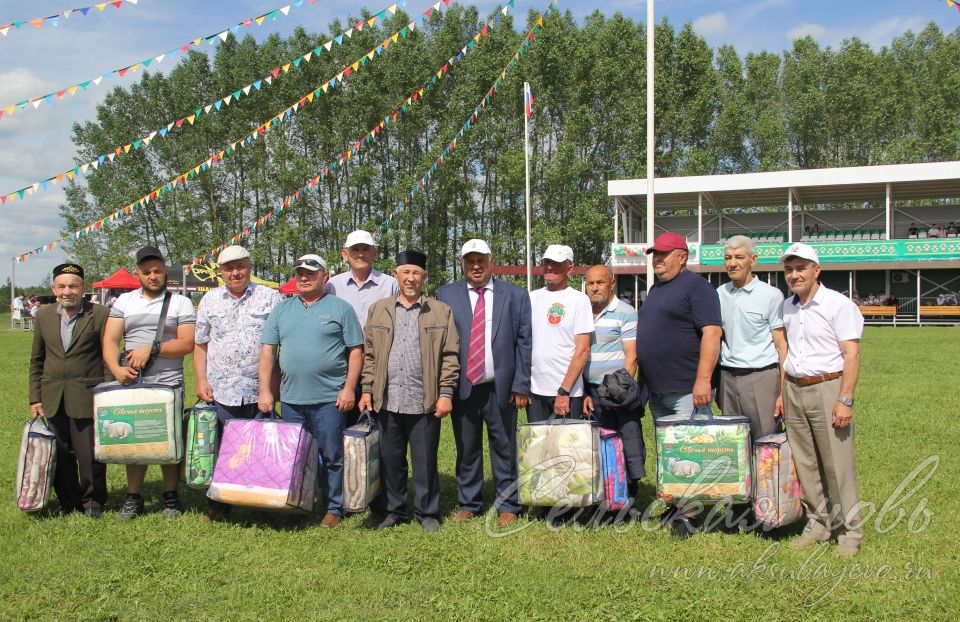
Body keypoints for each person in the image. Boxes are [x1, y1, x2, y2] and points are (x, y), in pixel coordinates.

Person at [258, 253, 363, 529]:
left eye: (310, 273)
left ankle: (333, 507)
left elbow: (356, 351)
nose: (304, 278)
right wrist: (266, 391)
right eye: (300, 273)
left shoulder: (341, 309)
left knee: (331, 455)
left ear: (324, 277)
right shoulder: (281, 310)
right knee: (295, 456)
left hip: (329, 399)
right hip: (292, 399)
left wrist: (349, 388)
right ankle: (298, 502)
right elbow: (268, 351)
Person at [358, 250, 459, 532]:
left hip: (424, 399)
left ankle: (427, 512)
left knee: (425, 460)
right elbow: (370, 355)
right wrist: (367, 389)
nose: (411, 278)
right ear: (396, 275)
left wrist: (446, 393)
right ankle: (395, 510)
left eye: (416, 273)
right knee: (391, 460)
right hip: (387, 400)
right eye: (406, 273)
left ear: (424, 277)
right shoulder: (379, 310)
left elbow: (450, 355)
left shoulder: (439, 311)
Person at [436, 239, 531, 528]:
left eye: (481, 260)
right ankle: (469, 502)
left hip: (500, 387)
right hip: (464, 387)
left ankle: (508, 503)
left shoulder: (514, 295)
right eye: (469, 261)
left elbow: (524, 342)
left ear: (491, 261)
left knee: (504, 447)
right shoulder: (446, 294)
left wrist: (520, 385)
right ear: (463, 264)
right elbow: (441, 343)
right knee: (467, 448)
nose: (475, 266)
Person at [635, 232, 722, 538]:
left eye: (663, 254)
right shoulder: (656, 289)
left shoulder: (697, 287)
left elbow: (712, 334)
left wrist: (703, 380)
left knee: (690, 452)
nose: (657, 260)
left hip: (687, 387)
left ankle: (691, 516)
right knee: (670, 453)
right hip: (659, 389)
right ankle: (675, 505)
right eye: (654, 255)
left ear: (682, 256)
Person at [780, 242, 864, 557]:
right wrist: (782, 389)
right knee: (805, 462)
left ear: (817, 270)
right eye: (789, 269)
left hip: (828, 387)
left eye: (801, 268)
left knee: (836, 465)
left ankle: (850, 532)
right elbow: (786, 351)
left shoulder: (838, 305)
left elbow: (851, 354)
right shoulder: (788, 306)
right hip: (795, 388)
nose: (794, 274)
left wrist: (846, 399)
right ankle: (818, 523)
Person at [102, 246, 196, 520]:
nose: (152, 276)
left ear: (166, 270)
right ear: (137, 274)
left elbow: (187, 343)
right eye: (146, 272)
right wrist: (116, 369)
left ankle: (170, 497)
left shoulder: (181, 302)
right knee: (134, 438)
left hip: (168, 382)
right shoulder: (124, 302)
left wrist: (153, 348)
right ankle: (134, 497)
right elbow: (109, 340)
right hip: (133, 380)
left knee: (169, 438)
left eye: (157, 270)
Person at [194, 245, 281, 523]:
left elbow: (282, 344)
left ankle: (261, 502)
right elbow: (201, 344)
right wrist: (201, 379)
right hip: (222, 389)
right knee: (223, 448)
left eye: (240, 266)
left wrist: (274, 386)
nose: (235, 273)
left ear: (249, 267)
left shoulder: (271, 298)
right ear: (220, 272)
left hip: (260, 388)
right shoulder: (209, 301)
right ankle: (220, 502)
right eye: (229, 268)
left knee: (260, 448)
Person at [28, 263, 111, 517]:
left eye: (73, 286)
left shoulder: (100, 314)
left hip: (88, 394)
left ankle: (92, 502)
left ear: (83, 288)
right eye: (62, 286)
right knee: (60, 454)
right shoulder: (43, 316)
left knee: (89, 455)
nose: (67, 291)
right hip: (52, 395)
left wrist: (107, 393)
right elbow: (37, 360)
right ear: (54, 289)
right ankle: (68, 501)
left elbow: (108, 357)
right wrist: (35, 397)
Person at [581, 265, 646, 499]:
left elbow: (632, 356)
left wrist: (618, 390)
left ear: (612, 284)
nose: (595, 288)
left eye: (600, 282)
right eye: (591, 283)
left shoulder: (626, 312)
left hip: (619, 390)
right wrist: (585, 390)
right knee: (600, 443)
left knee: (627, 440)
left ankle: (629, 493)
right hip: (591, 389)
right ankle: (605, 491)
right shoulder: (582, 312)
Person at [716, 236, 787, 439]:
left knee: (765, 440)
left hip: (761, 377)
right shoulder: (720, 294)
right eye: (728, 257)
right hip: (727, 378)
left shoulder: (771, 295)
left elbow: (782, 346)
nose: (732, 263)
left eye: (739, 257)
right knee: (732, 441)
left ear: (753, 260)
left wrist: (782, 393)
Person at [527, 244, 593, 422]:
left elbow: (583, 350)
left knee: (566, 448)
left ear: (569, 268)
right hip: (536, 391)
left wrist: (564, 391)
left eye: (556, 263)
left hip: (567, 393)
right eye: (547, 262)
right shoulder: (531, 298)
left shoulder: (579, 300)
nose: (550, 267)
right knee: (539, 448)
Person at [325, 229, 399, 330]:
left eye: (365, 249)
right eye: (355, 249)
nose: (360, 254)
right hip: (343, 345)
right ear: (345, 254)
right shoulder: (333, 285)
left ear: (374, 253)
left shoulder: (391, 285)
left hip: (379, 345)